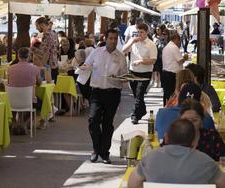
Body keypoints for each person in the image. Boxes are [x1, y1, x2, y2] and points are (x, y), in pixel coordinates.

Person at [128, 119, 225, 188]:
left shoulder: (150, 158)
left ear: (166, 138)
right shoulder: (207, 162)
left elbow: (132, 184)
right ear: (195, 142)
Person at [81, 29, 127, 164]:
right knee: (93, 120)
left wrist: (120, 77)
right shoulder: (96, 52)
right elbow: (86, 65)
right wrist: (83, 68)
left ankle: (105, 153)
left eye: (115, 38)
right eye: (111, 38)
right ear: (105, 39)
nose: (113, 41)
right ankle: (96, 149)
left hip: (113, 93)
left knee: (108, 124)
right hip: (97, 92)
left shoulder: (120, 56)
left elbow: (125, 76)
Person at [122, 23, 157, 124]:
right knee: (136, 95)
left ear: (147, 33)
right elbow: (124, 50)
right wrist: (132, 41)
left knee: (139, 93)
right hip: (133, 72)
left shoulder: (151, 44)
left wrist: (141, 61)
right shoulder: (133, 41)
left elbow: (153, 60)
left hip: (145, 73)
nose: (139, 34)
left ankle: (135, 116)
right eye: (138, 32)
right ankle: (142, 110)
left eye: (142, 32)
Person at [161, 34, 189, 106]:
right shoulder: (174, 48)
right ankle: (170, 107)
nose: (179, 43)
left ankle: (166, 107)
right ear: (176, 39)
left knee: (166, 93)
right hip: (171, 74)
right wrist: (185, 58)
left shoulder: (167, 47)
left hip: (165, 73)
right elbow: (180, 61)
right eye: (179, 41)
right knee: (172, 93)